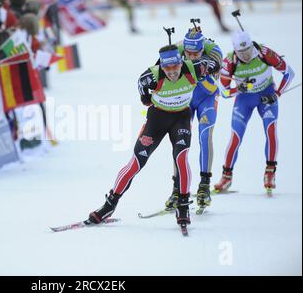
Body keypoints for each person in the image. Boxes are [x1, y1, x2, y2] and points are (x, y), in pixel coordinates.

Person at [87, 42, 220, 228]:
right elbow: (142, 93)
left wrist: (208, 60)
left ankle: (183, 205)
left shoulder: (194, 68)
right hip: (157, 120)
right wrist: (150, 99)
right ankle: (109, 205)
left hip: (181, 118)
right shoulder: (150, 76)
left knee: (181, 158)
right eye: (167, 68)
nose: (172, 72)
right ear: (162, 66)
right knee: (135, 164)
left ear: (181, 63)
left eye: (175, 66)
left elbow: (215, 64)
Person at [214, 31, 295, 194]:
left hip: (266, 98)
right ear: (235, 51)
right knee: (236, 137)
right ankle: (226, 176)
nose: (245, 56)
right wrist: (239, 89)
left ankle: (270, 172)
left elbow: (289, 73)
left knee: (271, 131)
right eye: (241, 53)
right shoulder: (229, 61)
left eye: (248, 51)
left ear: (252, 46)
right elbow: (223, 92)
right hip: (245, 100)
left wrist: (277, 93)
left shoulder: (265, 53)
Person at [164, 27, 223, 210]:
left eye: (195, 53)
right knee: (179, 141)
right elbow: (160, 71)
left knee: (205, 136)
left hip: (207, 98)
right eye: (187, 53)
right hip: (186, 101)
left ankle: (204, 184)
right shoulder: (178, 50)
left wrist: (195, 72)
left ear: (202, 49)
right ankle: (177, 188)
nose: (191, 56)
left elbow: (212, 84)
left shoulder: (214, 52)